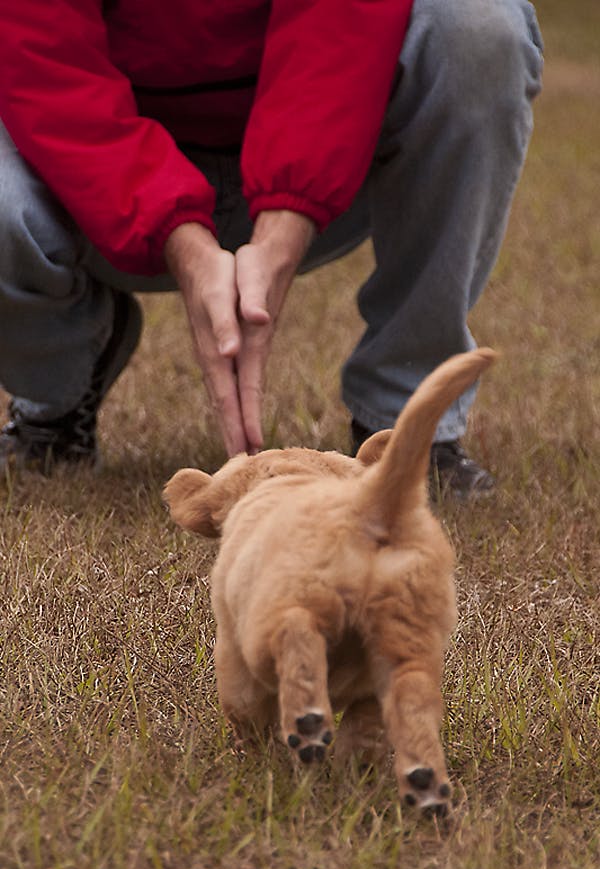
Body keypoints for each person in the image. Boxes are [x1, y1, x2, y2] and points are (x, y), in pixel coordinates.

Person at [0, 0, 543, 497]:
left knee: (479, 28)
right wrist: (177, 235)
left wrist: (288, 214)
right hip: (97, 175)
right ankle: (57, 392)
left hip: (327, 149)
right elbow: (44, 58)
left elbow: (343, 17)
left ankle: (406, 419)